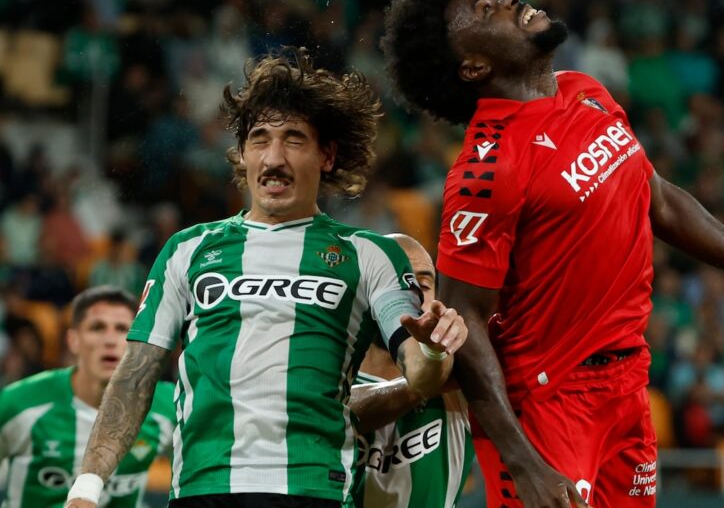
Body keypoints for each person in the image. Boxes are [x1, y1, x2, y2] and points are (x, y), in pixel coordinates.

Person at [380, 0, 724, 508]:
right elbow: (464, 318)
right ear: (474, 66)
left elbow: (659, 199)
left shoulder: (585, 92)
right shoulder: (485, 169)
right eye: (486, 9)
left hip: (627, 384)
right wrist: (524, 461)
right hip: (547, 404)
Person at [65, 48, 468, 508]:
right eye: (259, 139)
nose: (273, 158)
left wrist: (432, 347)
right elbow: (135, 375)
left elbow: (421, 374)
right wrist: (87, 487)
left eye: (293, 140)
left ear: (327, 155)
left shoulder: (370, 255)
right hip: (202, 490)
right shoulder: (187, 250)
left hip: (312, 492)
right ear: (242, 154)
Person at [0, 286, 175, 508]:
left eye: (122, 329)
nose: (110, 339)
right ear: (73, 340)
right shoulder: (21, 401)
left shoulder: (166, 404)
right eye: (97, 328)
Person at [349, 233, 475, 508]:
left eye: (423, 284)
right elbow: (334, 410)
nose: (411, 294)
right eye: (392, 282)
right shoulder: (328, 367)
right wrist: (427, 382)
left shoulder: (464, 365)